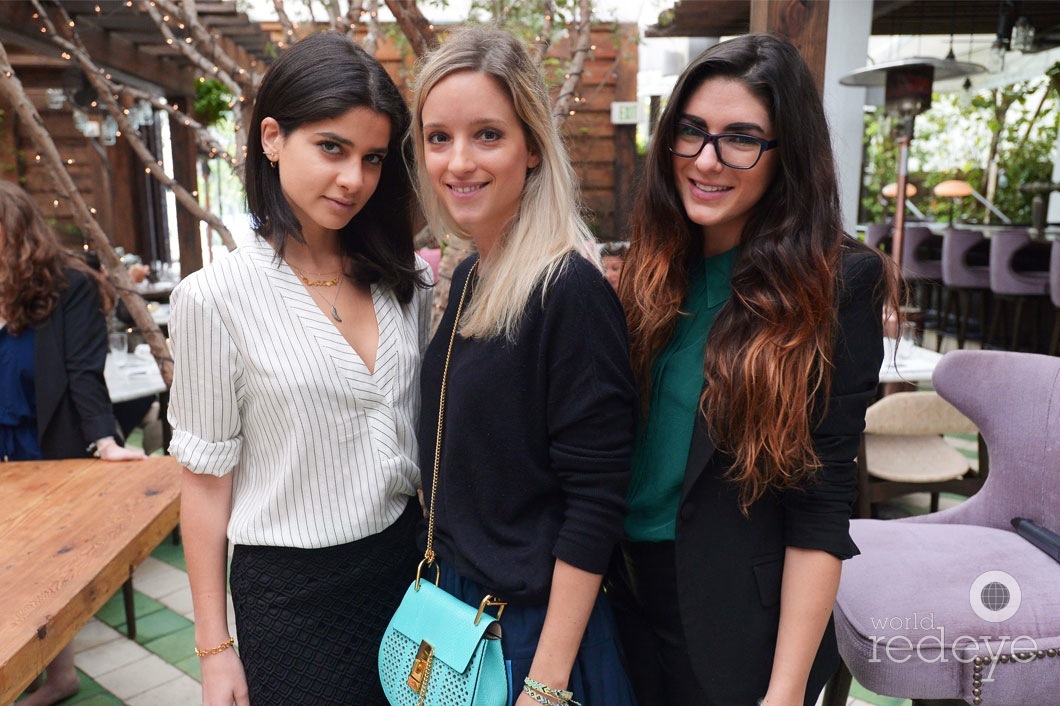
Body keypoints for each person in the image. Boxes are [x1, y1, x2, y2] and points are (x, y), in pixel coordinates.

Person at [610, 34, 902, 706]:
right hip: (621, 600)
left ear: (786, 155)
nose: (707, 160)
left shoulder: (836, 284)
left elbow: (823, 507)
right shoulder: (654, 268)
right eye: (691, 132)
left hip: (735, 628)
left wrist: (786, 691)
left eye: (741, 138)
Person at [167, 32, 431, 706]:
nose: (354, 179)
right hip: (294, 604)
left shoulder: (403, 282)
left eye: (372, 158)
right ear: (273, 138)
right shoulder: (214, 299)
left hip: (411, 577)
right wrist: (213, 648)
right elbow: (204, 488)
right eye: (332, 148)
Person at [410, 27, 639, 706]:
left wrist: (546, 681)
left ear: (533, 146)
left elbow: (595, 502)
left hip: (532, 639)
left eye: (487, 134)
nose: (457, 161)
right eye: (437, 137)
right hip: (462, 617)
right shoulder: (476, 273)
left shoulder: (568, 290)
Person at [0, 179, 146, 706]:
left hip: (46, 448)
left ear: (13, 232)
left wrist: (105, 441)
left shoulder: (69, 286)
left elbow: (85, 374)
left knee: (40, 569)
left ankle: (59, 678)